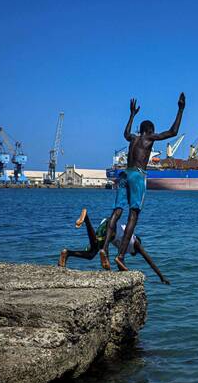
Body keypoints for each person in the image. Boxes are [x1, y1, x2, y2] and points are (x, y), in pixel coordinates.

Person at [102, 92, 185, 272]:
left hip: (124, 174)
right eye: (153, 132)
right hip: (137, 176)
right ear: (149, 131)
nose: (154, 134)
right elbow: (173, 132)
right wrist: (181, 109)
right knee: (133, 216)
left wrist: (131, 115)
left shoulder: (133, 138)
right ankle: (121, 256)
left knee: (116, 212)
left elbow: (125, 133)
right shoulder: (149, 138)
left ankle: (105, 249)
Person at [60, 208, 170, 284]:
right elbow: (149, 260)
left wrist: (122, 268)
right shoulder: (135, 243)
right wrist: (162, 277)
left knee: (91, 253)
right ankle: (87, 219)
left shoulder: (124, 247)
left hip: (106, 223)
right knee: (95, 249)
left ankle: (67, 253)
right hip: (111, 228)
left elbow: (120, 263)